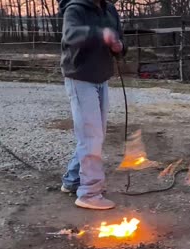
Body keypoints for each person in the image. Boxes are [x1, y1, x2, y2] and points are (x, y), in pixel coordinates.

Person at [59, 0, 126, 210]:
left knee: (95, 134)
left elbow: (120, 42)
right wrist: (99, 34)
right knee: (91, 135)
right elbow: (70, 35)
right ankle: (89, 192)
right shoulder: (75, 8)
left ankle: (72, 180)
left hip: (102, 77)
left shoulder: (110, 10)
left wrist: (119, 46)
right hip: (80, 77)